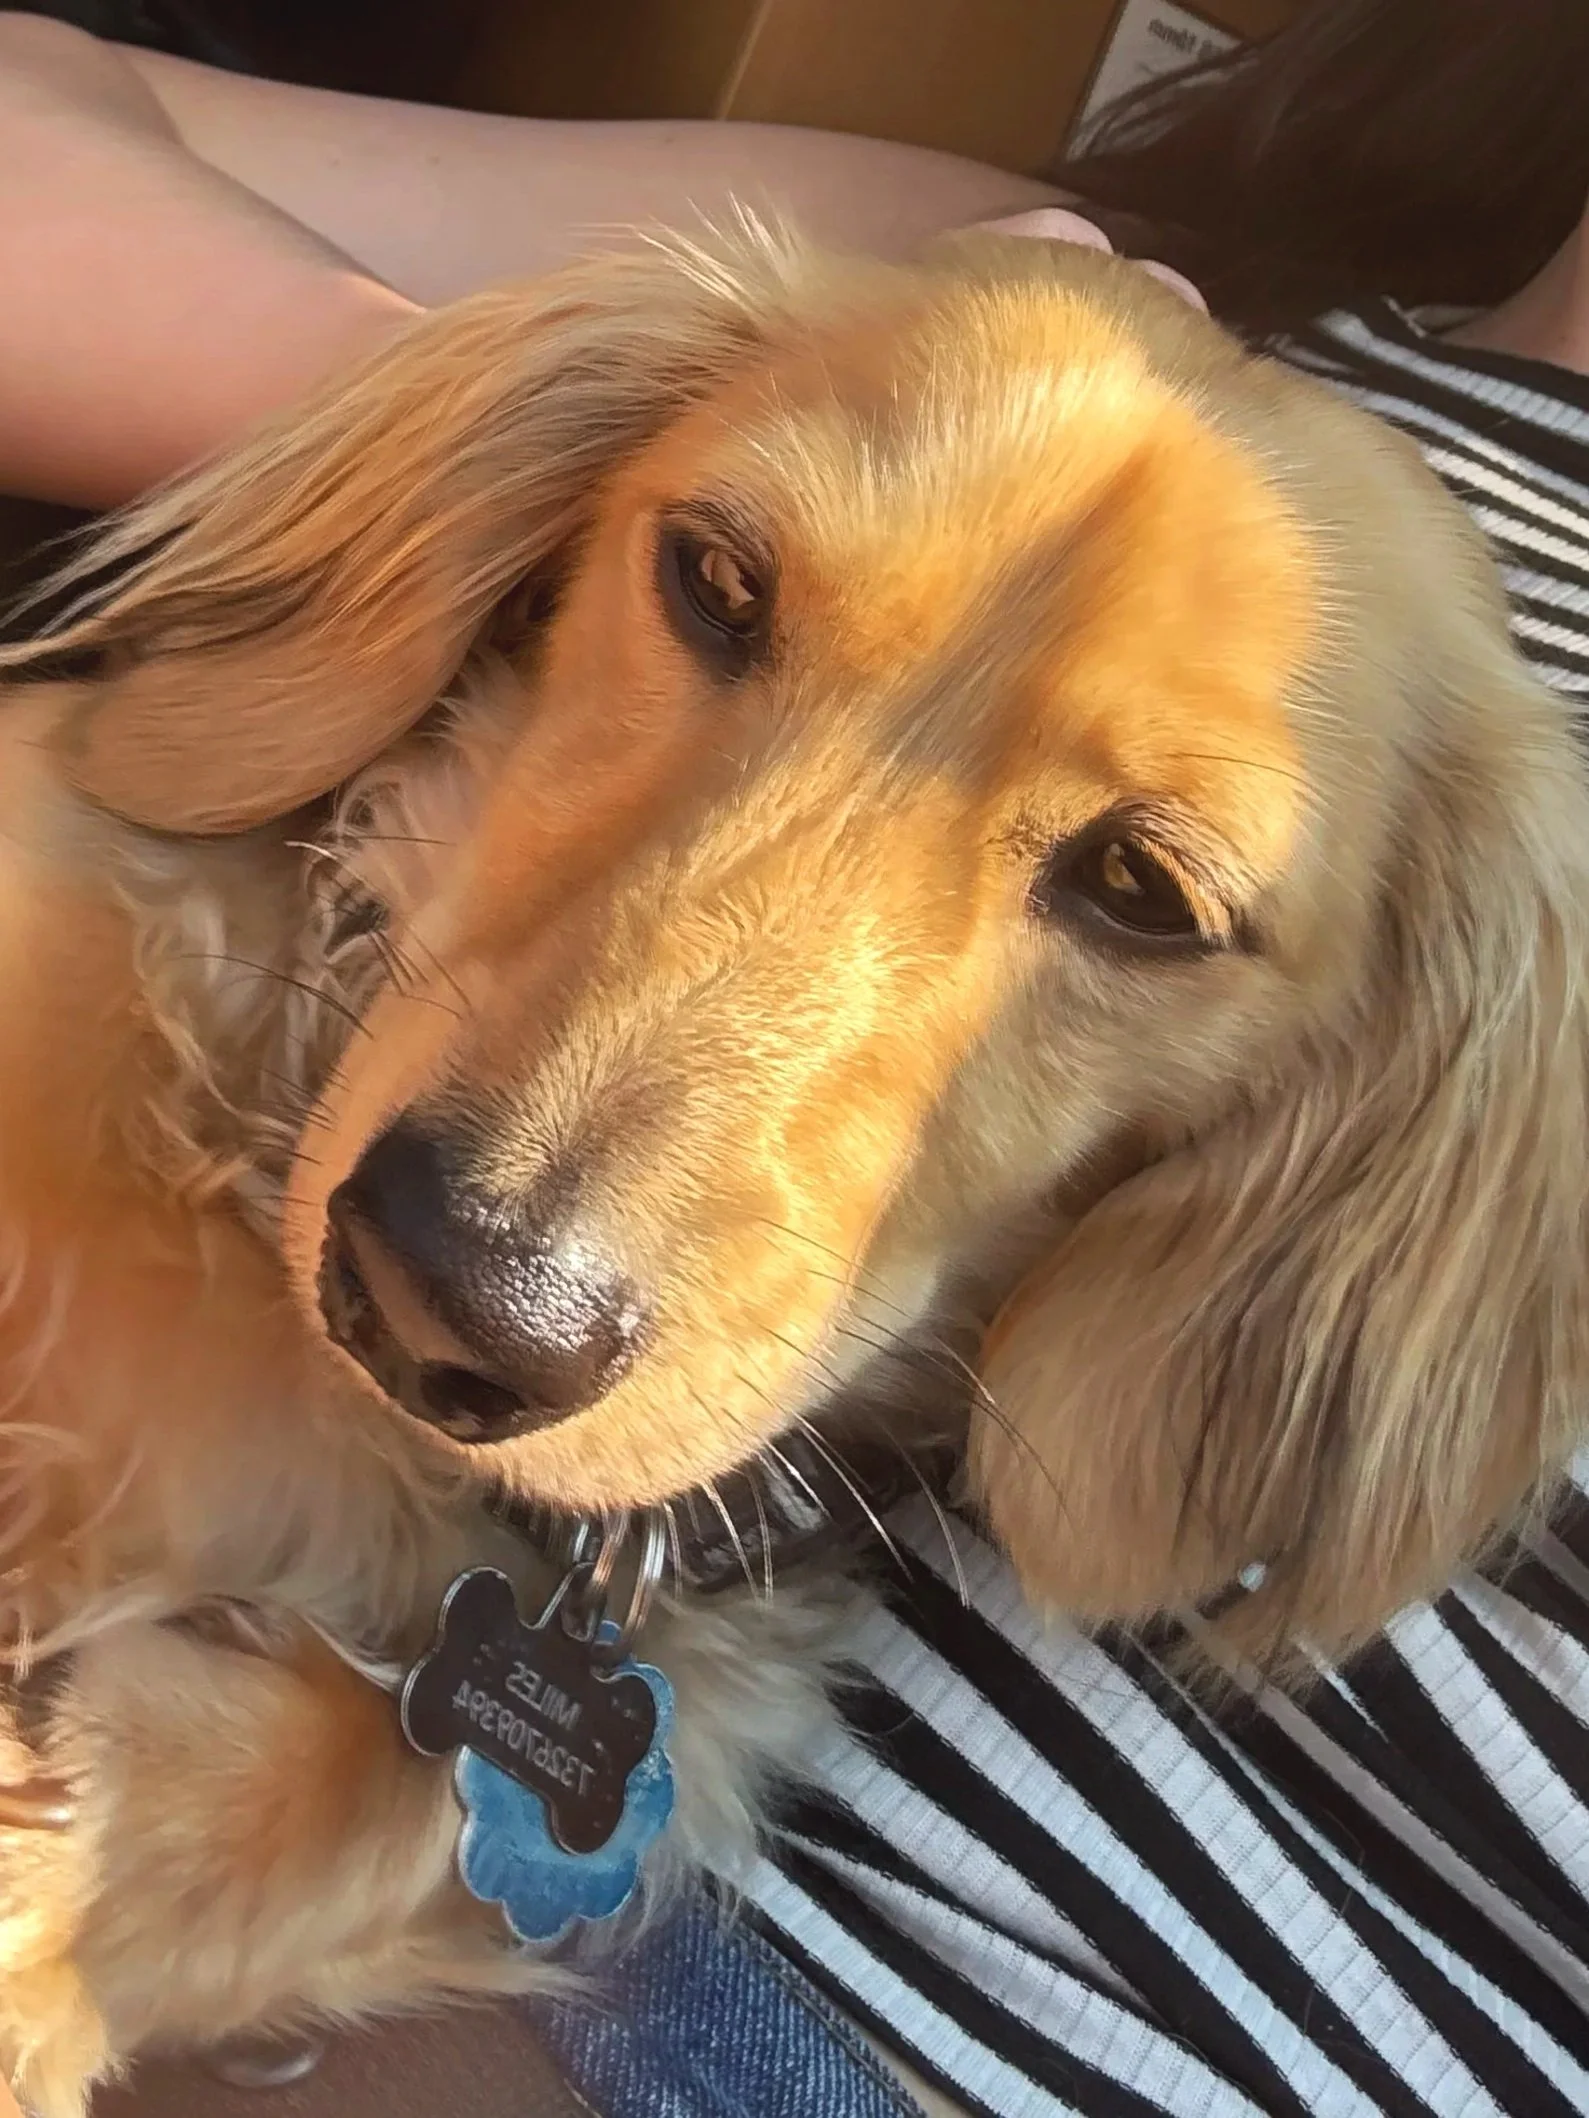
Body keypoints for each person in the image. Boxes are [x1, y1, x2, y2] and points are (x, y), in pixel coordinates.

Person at [4, 8, 1589, 2115]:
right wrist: (547, 422)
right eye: (726, 587)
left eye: (1131, 887)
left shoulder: (1475, 896)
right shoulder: (1016, 270)